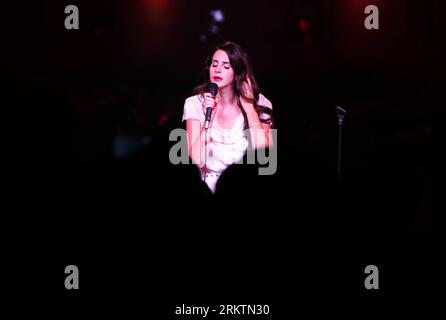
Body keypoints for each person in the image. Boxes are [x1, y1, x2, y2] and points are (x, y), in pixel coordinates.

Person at [182, 41, 274, 193]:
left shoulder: (261, 103)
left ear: (238, 72)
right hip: (208, 186)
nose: (217, 70)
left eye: (225, 66)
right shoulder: (195, 104)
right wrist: (208, 121)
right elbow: (196, 161)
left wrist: (249, 108)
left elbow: (264, 156)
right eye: (214, 64)